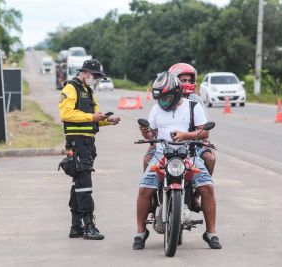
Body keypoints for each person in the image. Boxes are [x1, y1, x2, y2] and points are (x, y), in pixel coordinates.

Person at [133, 71, 222, 250]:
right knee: (144, 189)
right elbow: (152, 133)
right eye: (160, 98)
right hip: (161, 155)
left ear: (176, 93)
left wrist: (185, 135)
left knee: (207, 187)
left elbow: (204, 132)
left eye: (166, 97)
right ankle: (140, 232)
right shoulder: (156, 108)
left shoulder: (192, 106)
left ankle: (211, 233)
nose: (163, 101)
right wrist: (146, 132)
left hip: (189, 155)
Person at [59, 59, 120, 240]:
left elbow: (92, 118)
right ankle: (89, 227)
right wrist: (91, 116)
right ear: (85, 73)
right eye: (95, 76)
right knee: (84, 185)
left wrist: (105, 120)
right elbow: (66, 114)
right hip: (76, 143)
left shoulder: (89, 91)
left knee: (78, 184)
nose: (97, 79)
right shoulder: (70, 89)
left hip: (87, 143)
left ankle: (76, 226)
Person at [142, 63, 216, 176]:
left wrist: (200, 139)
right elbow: (154, 129)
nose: (187, 83)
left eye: (189, 80)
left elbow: (204, 128)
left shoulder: (196, 101)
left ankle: (198, 190)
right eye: (183, 80)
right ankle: (150, 188)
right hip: (165, 146)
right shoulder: (162, 101)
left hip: (193, 144)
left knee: (210, 159)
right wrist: (149, 135)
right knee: (147, 160)